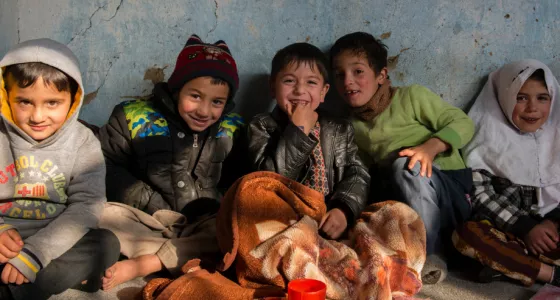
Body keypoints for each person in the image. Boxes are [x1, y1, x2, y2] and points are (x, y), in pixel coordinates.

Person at [98, 34, 245, 290]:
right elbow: (105, 165)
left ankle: (148, 263)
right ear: (177, 89)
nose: (203, 111)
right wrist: (148, 202)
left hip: (206, 224)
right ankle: (182, 259)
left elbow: (240, 179)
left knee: (236, 231)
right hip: (148, 221)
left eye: (217, 102)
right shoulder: (132, 116)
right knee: (100, 214)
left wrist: (218, 209)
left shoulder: (232, 128)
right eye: (195, 96)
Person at [330, 32, 474, 283]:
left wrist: (431, 146)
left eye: (358, 71)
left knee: (406, 165)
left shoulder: (411, 97)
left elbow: (463, 123)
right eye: (339, 74)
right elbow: (361, 174)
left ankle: (432, 255)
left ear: (381, 75)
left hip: (451, 194)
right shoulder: (352, 126)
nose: (347, 81)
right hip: (406, 202)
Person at [0, 38, 119, 299]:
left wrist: (35, 254)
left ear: (73, 100)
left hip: (53, 242)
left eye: (52, 103)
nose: (38, 116)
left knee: (107, 243)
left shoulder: (83, 141)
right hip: (4, 241)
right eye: (24, 102)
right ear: (5, 97)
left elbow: (87, 205)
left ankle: (13, 290)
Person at [247, 42, 370, 240]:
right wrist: (298, 131)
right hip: (284, 221)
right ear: (273, 87)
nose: (299, 90)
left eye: (311, 83)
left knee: (391, 216)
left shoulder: (339, 128)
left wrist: (343, 209)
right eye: (289, 81)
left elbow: (357, 173)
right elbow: (267, 182)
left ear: (323, 92)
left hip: (329, 220)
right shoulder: (261, 127)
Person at [453, 59, 560, 287]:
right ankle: (548, 274)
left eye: (542, 98)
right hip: (508, 231)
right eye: (521, 98)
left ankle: (509, 268)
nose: (532, 108)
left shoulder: (557, 135)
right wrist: (526, 227)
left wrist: (552, 223)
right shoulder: (486, 135)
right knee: (467, 235)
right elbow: (481, 196)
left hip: (552, 234)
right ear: (504, 97)